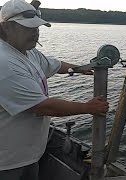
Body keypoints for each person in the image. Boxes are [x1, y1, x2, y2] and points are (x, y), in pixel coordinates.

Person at [0, 0, 109, 179]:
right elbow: (42, 107)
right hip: (7, 162)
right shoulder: (4, 62)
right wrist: (86, 108)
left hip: (28, 155)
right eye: (28, 28)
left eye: (37, 28)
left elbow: (55, 65)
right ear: (6, 28)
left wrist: (80, 68)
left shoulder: (27, 51)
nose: (35, 33)